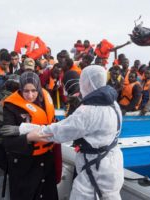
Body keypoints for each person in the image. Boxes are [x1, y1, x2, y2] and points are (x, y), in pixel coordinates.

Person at [26, 65, 124, 200]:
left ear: (86, 82)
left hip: (95, 167)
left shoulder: (88, 111)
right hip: (113, 162)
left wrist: (31, 133)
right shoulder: (113, 103)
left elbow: (61, 131)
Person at [0, 71, 59, 200]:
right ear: (20, 89)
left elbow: (54, 125)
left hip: (46, 158)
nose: (30, 95)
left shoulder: (46, 98)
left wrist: (24, 129)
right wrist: (28, 137)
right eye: (26, 91)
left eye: (33, 90)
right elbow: (7, 143)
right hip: (24, 163)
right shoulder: (10, 106)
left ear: (38, 88)